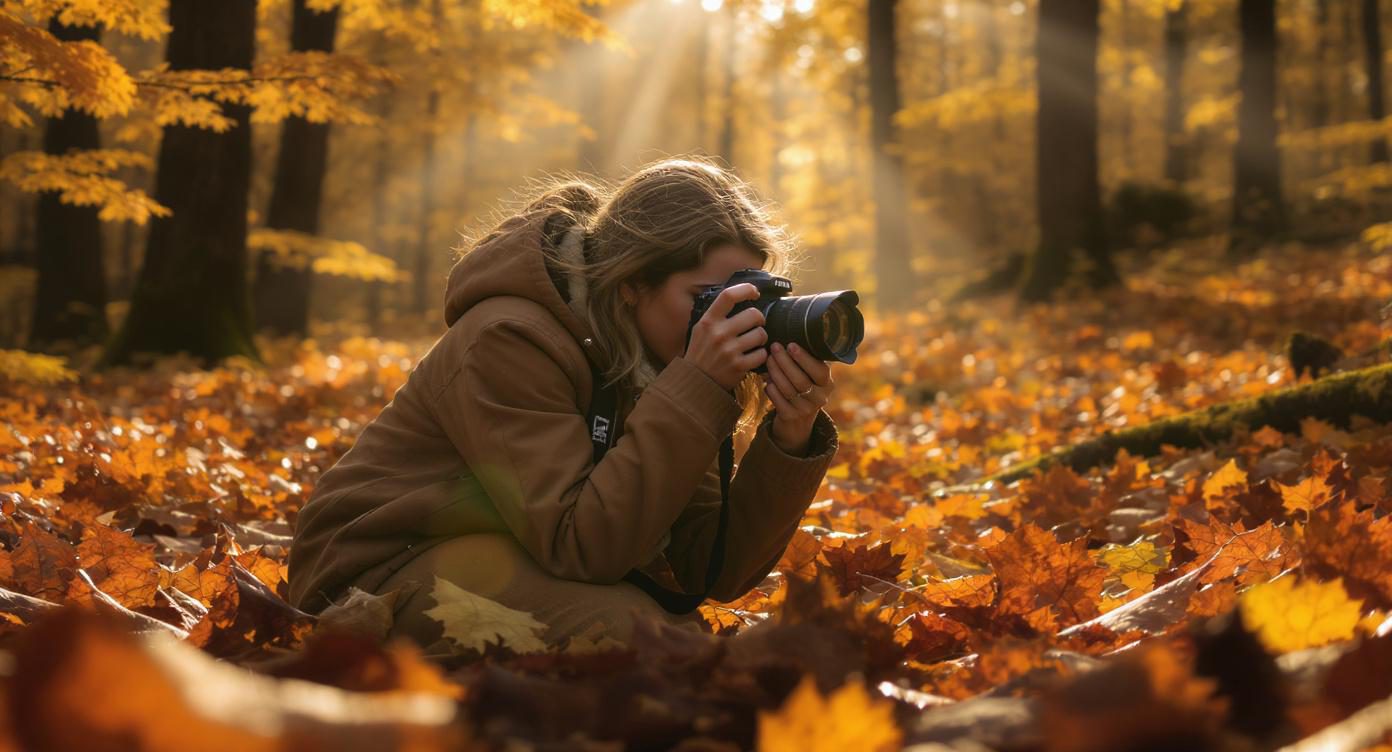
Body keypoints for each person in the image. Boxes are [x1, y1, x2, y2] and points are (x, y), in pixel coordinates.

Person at [286, 157, 840, 653]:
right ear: (631, 282)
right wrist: (695, 385)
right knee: (637, 641)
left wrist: (788, 438)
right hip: (379, 570)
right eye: (706, 297)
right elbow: (580, 546)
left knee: (670, 639)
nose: (726, 320)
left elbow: (706, 565)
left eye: (744, 298)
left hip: (507, 552)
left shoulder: (659, 357)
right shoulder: (510, 336)